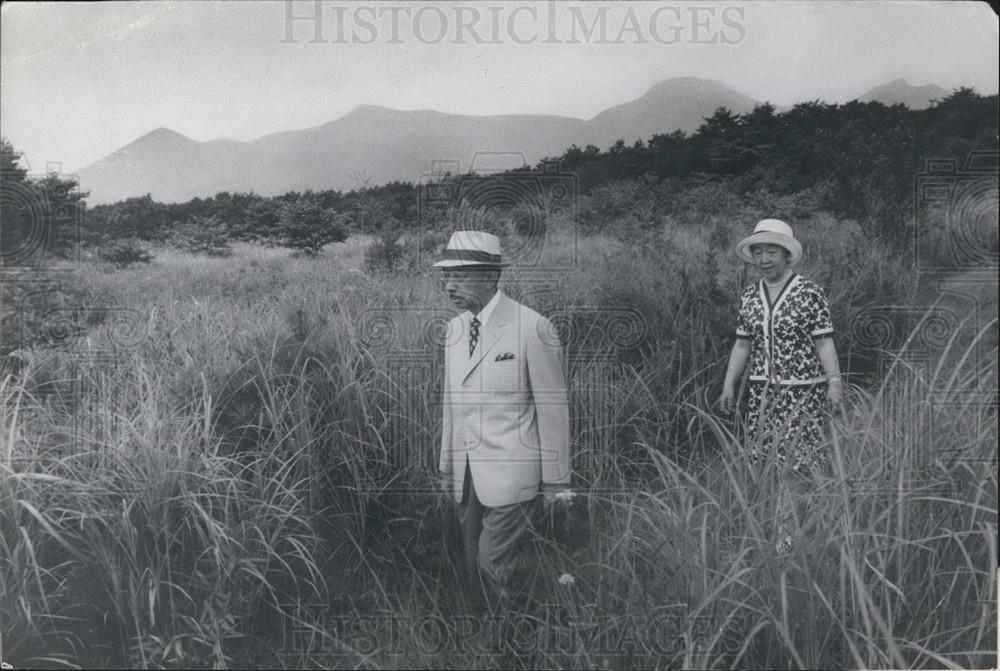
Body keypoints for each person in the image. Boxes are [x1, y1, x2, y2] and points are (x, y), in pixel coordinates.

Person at [434, 230, 572, 611]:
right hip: (467, 475)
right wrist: (447, 467)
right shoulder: (454, 331)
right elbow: (451, 404)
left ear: (492, 275)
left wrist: (557, 481)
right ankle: (486, 637)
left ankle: (512, 637)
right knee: (471, 568)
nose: (449, 285)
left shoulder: (533, 327)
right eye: (445, 276)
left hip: (515, 474)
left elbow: (553, 407)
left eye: (459, 276)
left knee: (490, 562)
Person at [719, 219, 843, 472]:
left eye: (771, 252)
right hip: (762, 394)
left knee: (799, 465)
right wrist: (728, 385)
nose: (764, 259)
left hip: (802, 393)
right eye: (758, 253)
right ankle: (771, 511)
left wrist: (834, 383)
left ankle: (801, 510)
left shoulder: (810, 292)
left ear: (787, 255)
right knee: (763, 465)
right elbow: (742, 345)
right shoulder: (749, 296)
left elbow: (824, 342)